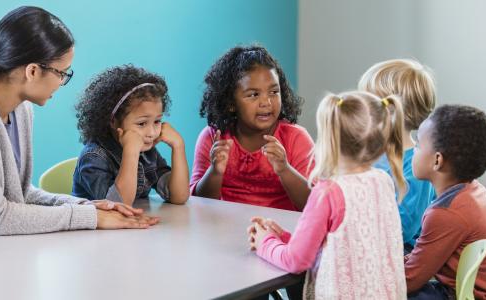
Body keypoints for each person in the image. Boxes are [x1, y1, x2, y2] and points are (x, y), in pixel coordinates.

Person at [0, 6, 157, 256]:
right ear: (32, 71)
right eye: (62, 73)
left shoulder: (21, 109)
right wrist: (89, 218)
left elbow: (19, 195)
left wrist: (87, 206)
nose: (62, 83)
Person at [249, 91, 407, 299]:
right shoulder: (382, 181)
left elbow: (296, 262)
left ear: (329, 140)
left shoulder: (328, 192)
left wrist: (265, 242)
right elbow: (344, 244)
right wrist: (286, 238)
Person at [404, 104, 486, 299]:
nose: (413, 150)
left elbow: (409, 280)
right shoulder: (473, 190)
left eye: (418, 144)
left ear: (437, 161)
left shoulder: (446, 213)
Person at [191, 45, 314, 211]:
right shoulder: (213, 138)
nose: (266, 102)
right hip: (224, 230)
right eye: (254, 94)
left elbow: (314, 205)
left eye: (274, 92)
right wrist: (215, 172)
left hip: (280, 232)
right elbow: (198, 204)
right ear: (230, 103)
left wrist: (284, 169)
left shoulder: (295, 137)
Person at [72, 65, 189, 206]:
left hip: (131, 226)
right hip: (97, 227)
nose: (152, 133)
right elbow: (117, 206)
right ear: (114, 122)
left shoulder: (148, 153)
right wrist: (131, 152)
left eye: (157, 121)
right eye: (142, 123)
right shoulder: (94, 157)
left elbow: (179, 197)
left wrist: (179, 147)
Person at [359, 58, 437, 252]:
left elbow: (403, 230)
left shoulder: (417, 166)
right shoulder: (369, 153)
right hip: (366, 242)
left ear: (392, 111)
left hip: (395, 257)